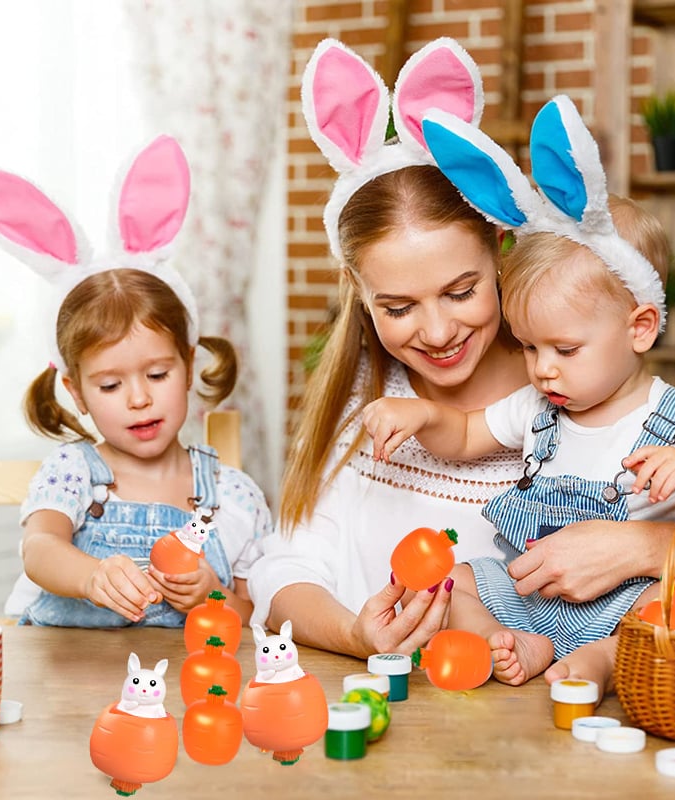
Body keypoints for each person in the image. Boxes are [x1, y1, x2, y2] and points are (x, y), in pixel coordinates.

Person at [362, 95, 675, 687]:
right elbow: (465, 434)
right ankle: (510, 643)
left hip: (626, 597)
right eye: (529, 347)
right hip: (530, 590)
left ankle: (603, 660)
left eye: (565, 350)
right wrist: (423, 414)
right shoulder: (539, 408)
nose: (543, 370)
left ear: (639, 328)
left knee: (672, 600)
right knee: (460, 581)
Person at [247, 37, 528, 658]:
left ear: (499, 249)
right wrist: (355, 634)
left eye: (461, 292)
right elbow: (283, 572)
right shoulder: (362, 401)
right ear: (359, 292)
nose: (437, 332)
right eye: (398, 308)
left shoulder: (563, 392)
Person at [0, 136, 272, 627]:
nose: (139, 398)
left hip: (180, 676)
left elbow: (252, 616)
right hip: (67, 673)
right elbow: (40, 547)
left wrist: (213, 596)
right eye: (110, 386)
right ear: (76, 393)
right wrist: (89, 576)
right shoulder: (72, 474)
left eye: (157, 374)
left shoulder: (234, 496)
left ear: (188, 365)